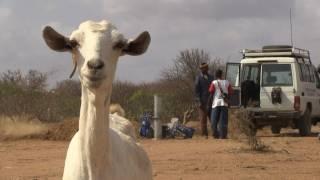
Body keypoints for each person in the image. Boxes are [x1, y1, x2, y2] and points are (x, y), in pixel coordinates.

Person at [208, 69, 232, 139]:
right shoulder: (227, 82)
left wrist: (209, 103)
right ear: (221, 74)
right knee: (223, 121)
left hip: (215, 103)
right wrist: (228, 100)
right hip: (224, 104)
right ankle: (223, 135)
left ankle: (215, 134)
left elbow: (211, 93)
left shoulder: (214, 82)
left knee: (214, 120)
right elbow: (230, 92)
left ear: (216, 75)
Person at [195, 62, 214, 137]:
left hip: (211, 101)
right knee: (203, 119)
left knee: (213, 118)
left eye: (205, 68)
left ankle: (214, 133)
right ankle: (204, 135)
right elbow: (197, 90)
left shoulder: (212, 77)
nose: (203, 69)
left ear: (207, 68)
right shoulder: (198, 78)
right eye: (202, 68)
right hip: (202, 102)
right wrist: (199, 101)